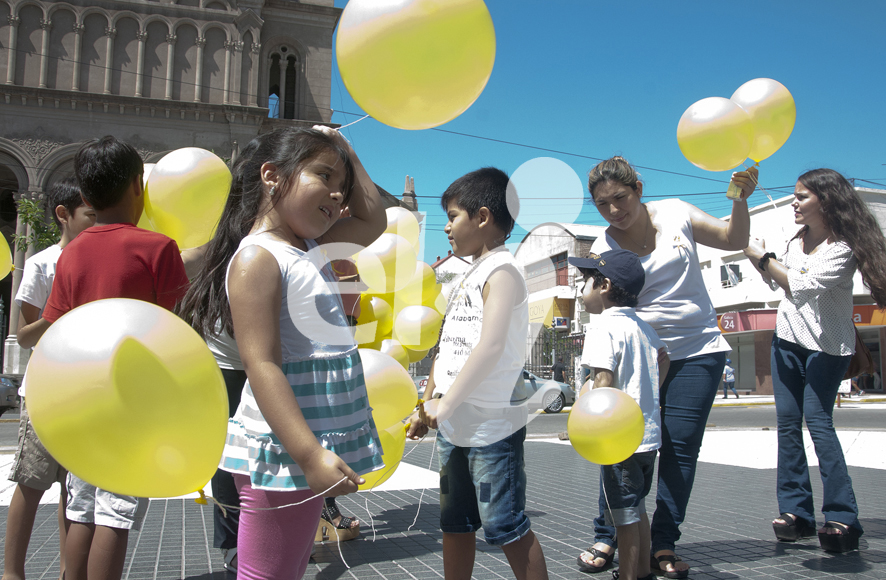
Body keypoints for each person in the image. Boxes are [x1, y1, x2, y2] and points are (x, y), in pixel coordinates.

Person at [176, 126, 386, 580]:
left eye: (342, 186)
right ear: (271, 175)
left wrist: (346, 151)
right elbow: (262, 364)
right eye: (324, 176)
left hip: (301, 449)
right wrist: (309, 455)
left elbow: (374, 220)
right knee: (265, 575)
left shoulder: (308, 246)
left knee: (286, 570)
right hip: (284, 453)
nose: (337, 194)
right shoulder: (259, 258)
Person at [581, 156, 757, 577]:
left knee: (679, 450)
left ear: (639, 189)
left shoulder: (677, 212)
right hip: (641, 356)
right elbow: (590, 302)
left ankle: (663, 542)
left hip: (698, 349)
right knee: (618, 446)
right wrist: (593, 284)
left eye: (620, 199)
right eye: (602, 205)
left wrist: (739, 199)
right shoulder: (603, 244)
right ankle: (608, 532)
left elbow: (734, 239)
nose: (613, 211)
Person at [33, 136, 190, 580]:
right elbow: (177, 328)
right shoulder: (159, 249)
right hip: (132, 398)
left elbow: (55, 327)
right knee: (114, 514)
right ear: (140, 186)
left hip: (77, 395)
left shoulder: (72, 254)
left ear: (85, 196)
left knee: (81, 506)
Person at [406, 167, 549, 580]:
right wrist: (426, 403)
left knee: (505, 525)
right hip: (455, 427)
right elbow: (446, 348)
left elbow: (490, 346)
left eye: (453, 217)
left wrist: (446, 403)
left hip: (491, 427)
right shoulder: (469, 272)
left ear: (483, 217)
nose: (447, 228)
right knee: (455, 524)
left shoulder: (503, 271)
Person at [743, 168, 886, 552]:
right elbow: (779, 282)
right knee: (788, 426)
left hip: (828, 347)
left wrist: (761, 257)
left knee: (819, 424)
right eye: (794, 195)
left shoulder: (843, 248)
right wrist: (767, 262)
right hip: (786, 342)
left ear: (827, 200)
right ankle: (796, 515)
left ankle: (843, 518)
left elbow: (801, 285)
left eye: (802, 196)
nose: (794, 202)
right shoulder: (796, 240)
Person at [2, 178, 96, 580]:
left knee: (72, 488)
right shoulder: (42, 263)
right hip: (45, 390)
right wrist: (64, 309)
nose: (96, 223)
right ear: (64, 215)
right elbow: (24, 335)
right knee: (32, 480)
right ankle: (12, 571)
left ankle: (66, 570)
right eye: (90, 214)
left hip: (87, 389)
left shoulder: (97, 260)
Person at [570, 249, 669, 580]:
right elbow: (664, 358)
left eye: (586, 281)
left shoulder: (603, 327)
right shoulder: (642, 327)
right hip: (647, 436)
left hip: (619, 440)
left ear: (604, 286)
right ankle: (641, 572)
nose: (580, 288)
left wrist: (588, 421)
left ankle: (628, 575)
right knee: (638, 508)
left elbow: (604, 382)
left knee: (624, 517)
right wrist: (649, 393)